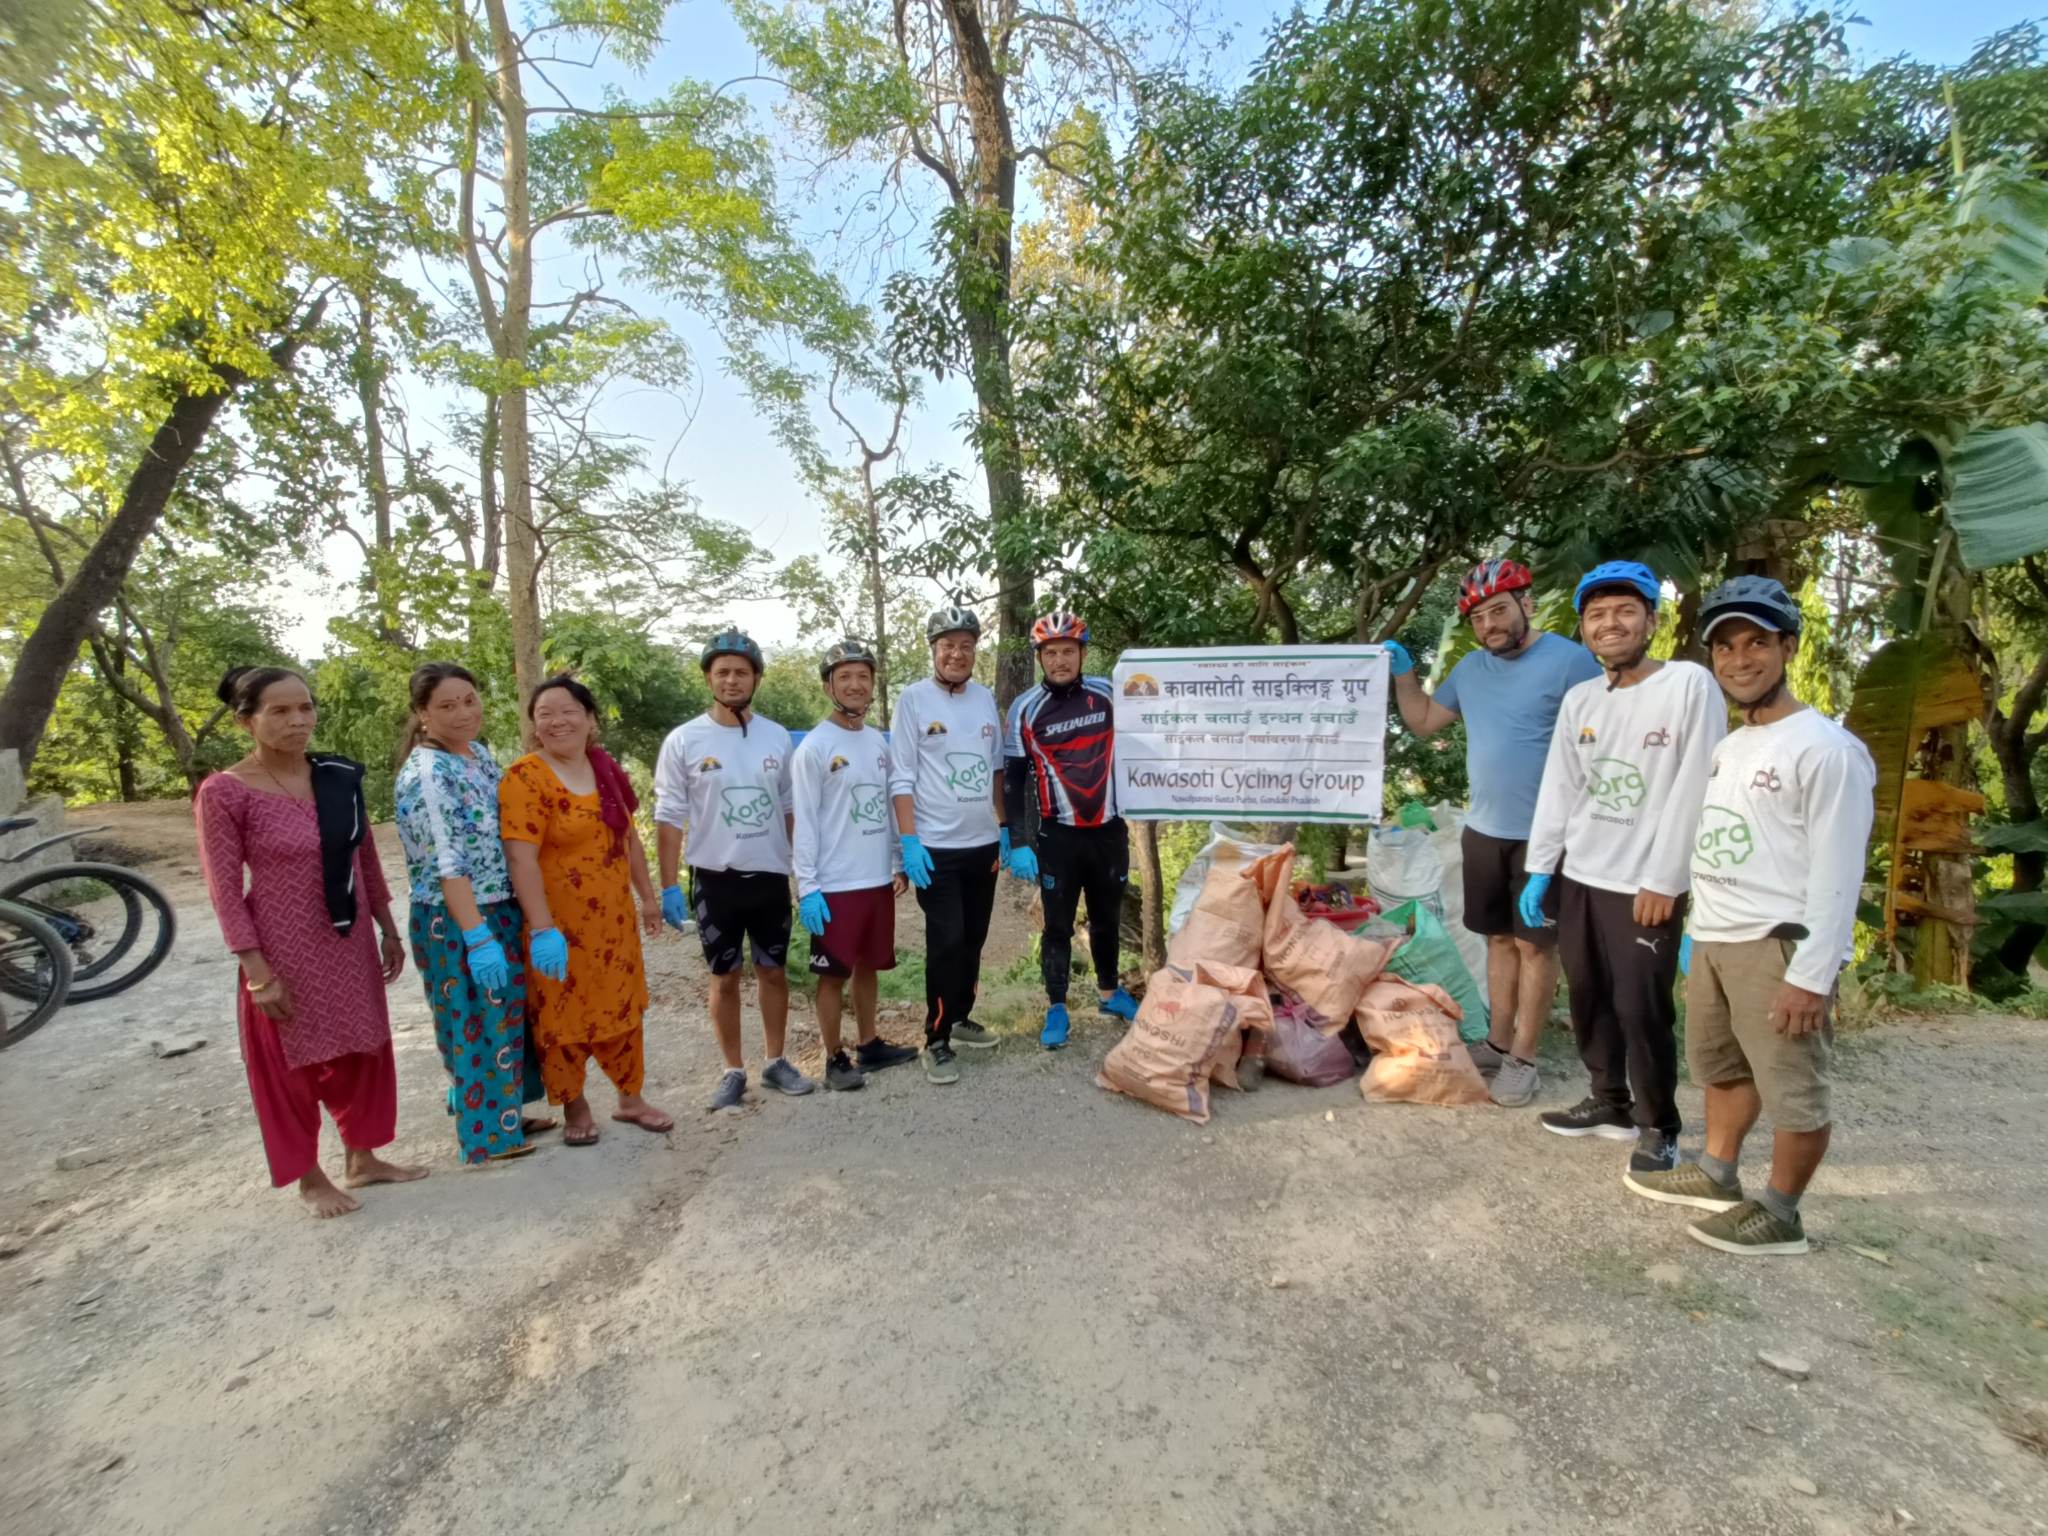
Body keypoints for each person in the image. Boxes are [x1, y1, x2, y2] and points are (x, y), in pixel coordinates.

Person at [1626, 577, 1874, 1256]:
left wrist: (1812, 976)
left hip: (1777, 945)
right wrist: (1694, 931)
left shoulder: (1825, 750)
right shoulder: (1731, 747)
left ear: (1788, 647)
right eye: (1726, 647)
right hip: (1715, 939)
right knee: (1722, 1067)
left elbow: (1838, 875)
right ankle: (1717, 1173)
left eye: (1757, 643)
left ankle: (1782, 1213)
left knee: (1793, 1086)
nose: (1740, 659)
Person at [194, 666, 428, 1218]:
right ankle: (310, 1177)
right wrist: (258, 974)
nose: (298, 720)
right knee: (291, 1064)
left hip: (347, 941)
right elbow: (224, 891)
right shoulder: (225, 792)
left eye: (305, 707)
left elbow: (364, 858)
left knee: (362, 1047)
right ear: (245, 721)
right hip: (281, 947)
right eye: (279, 711)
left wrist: (388, 929)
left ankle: (362, 1158)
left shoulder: (337, 777)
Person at [1518, 563, 1724, 1173]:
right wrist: (1541, 867)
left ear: (1651, 622)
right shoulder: (1582, 699)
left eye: (1625, 611)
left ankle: (1659, 1125)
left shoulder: (1689, 685)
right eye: (1597, 615)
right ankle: (1608, 1100)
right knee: (1588, 997)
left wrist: (1666, 879)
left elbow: (1697, 785)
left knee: (1642, 1007)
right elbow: (1561, 787)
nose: (1610, 624)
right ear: (1584, 629)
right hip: (1582, 875)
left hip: (1644, 885)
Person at [1384, 558, 1604, 1107]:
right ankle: (1497, 1042)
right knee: (1499, 940)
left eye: (1499, 611)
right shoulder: (1471, 670)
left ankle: (1524, 1060)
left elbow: (1603, 742)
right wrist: (1403, 674)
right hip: (1482, 830)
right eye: (1478, 618)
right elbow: (1424, 721)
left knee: (1535, 947)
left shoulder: (1572, 662)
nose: (1489, 626)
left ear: (1526, 604)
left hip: (1544, 837)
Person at [392, 662, 555, 1165]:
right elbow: (448, 862)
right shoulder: (428, 774)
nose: (464, 713)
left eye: (469, 700)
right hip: (458, 917)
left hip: (498, 905)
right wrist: (477, 936)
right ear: (422, 713)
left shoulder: (476, 755)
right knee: (476, 1022)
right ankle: (486, 1137)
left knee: (505, 1017)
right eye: (447, 706)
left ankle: (505, 1112)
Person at [499, 675, 672, 1145]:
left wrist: (648, 898)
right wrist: (542, 928)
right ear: (534, 726)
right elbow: (520, 858)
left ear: (591, 719)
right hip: (558, 926)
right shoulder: (525, 777)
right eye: (545, 714)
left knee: (623, 1005)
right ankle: (575, 1106)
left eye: (568, 711)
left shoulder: (604, 768)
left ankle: (631, 1099)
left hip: (613, 923)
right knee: (561, 1014)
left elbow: (627, 838)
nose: (558, 722)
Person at [1003, 609, 1138, 1049]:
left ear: (1082, 654)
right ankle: (1057, 1007)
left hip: (1109, 830)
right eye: (1050, 653)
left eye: (1068, 651)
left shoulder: (1109, 693)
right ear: (1039, 658)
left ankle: (1109, 993)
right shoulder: (1025, 708)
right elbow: (1014, 779)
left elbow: (1152, 728)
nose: (1059, 660)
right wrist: (1017, 840)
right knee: (1057, 926)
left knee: (1106, 920)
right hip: (1058, 836)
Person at [889, 606, 1008, 1083]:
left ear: (975, 651)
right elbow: (901, 776)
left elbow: (996, 768)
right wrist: (909, 841)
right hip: (935, 847)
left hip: (983, 845)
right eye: (947, 646)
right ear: (933, 650)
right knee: (947, 940)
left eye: (966, 646)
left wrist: (1004, 827)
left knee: (974, 938)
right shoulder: (913, 699)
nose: (956, 654)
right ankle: (935, 1038)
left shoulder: (985, 698)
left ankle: (960, 1017)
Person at [792, 639, 910, 1089]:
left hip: (876, 877)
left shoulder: (879, 742)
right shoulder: (815, 748)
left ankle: (869, 1043)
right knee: (832, 972)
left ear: (873, 684)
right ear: (829, 687)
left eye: (863, 676)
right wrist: (807, 886)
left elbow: (888, 804)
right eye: (845, 677)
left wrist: (898, 860)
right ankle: (833, 1058)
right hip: (835, 883)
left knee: (868, 965)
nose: (855, 684)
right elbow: (805, 821)